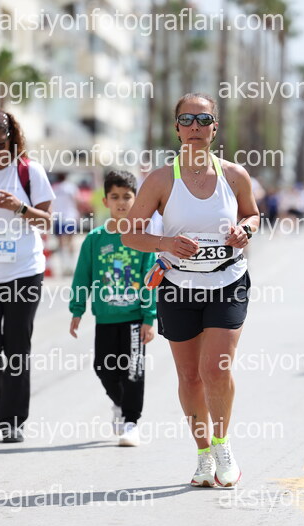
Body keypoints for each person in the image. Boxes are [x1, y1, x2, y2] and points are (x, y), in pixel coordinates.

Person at [124, 93, 260, 487]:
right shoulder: (161, 179)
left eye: (203, 120)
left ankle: (222, 445)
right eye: (187, 119)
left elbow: (252, 214)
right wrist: (165, 243)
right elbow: (130, 234)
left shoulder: (234, 176)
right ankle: (203, 454)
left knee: (215, 369)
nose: (195, 126)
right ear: (177, 128)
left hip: (226, 281)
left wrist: (245, 231)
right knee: (189, 376)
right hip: (178, 286)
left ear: (215, 128)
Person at [69, 170, 156, 446]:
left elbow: (149, 279)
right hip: (105, 317)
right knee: (103, 367)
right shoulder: (95, 239)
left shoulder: (143, 239)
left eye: (127, 197)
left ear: (136, 200)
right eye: (115, 197)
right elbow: (82, 276)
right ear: (105, 201)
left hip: (134, 318)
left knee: (133, 370)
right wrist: (77, 309)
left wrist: (149, 316)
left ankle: (131, 422)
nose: (121, 202)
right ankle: (119, 403)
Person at [0, 109, 55, 442]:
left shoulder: (29, 171)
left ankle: (12, 420)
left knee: (16, 348)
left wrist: (18, 207)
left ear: (12, 139)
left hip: (23, 272)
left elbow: (47, 222)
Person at [52, 172, 80, 275]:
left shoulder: (55, 188)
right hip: (70, 217)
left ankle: (63, 267)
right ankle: (71, 266)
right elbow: (77, 201)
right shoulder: (71, 187)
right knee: (71, 243)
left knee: (60, 244)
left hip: (58, 217)